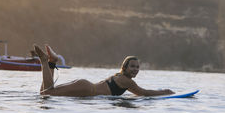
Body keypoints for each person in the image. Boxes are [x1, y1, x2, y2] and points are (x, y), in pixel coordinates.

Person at [34, 44, 174, 97]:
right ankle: (46, 61)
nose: (135, 69)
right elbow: (143, 93)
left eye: (137, 67)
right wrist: (165, 92)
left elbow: (139, 93)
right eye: (132, 66)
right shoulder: (126, 81)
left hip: (85, 86)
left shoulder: (119, 77)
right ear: (124, 67)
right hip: (87, 90)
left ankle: (52, 62)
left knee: (46, 93)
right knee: (48, 94)